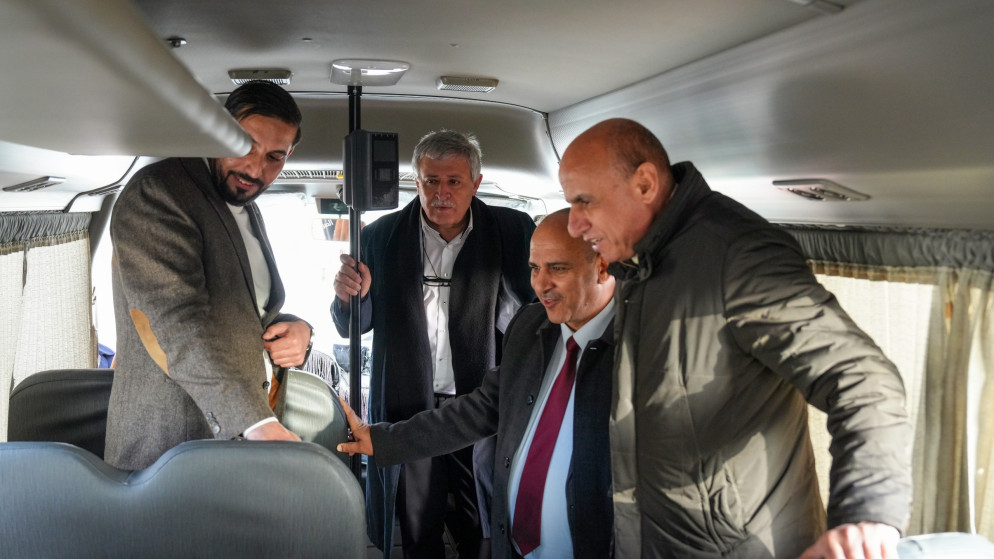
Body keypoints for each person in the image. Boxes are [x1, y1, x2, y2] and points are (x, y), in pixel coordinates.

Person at [558, 118, 912, 559]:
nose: (573, 225)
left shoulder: (737, 254)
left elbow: (863, 379)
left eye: (584, 202)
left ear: (645, 184)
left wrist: (866, 514)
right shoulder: (640, 261)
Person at [338, 209, 616, 559]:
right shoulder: (530, 327)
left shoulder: (643, 351)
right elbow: (482, 409)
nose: (540, 284)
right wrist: (381, 439)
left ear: (603, 266)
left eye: (558, 268)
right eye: (534, 268)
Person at [332, 130, 535, 558]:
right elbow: (355, 326)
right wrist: (351, 298)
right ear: (416, 182)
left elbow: (535, 312)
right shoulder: (380, 236)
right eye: (431, 181)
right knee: (417, 527)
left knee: (482, 524)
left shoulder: (512, 230)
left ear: (476, 183)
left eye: (454, 181)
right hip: (410, 408)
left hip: (482, 406)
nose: (442, 193)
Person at [105, 80, 311, 470]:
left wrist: (299, 331)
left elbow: (247, 308)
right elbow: (178, 321)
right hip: (170, 447)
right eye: (246, 146)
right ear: (219, 129)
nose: (255, 169)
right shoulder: (160, 192)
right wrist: (255, 423)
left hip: (242, 442)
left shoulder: (247, 206)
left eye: (274, 157)